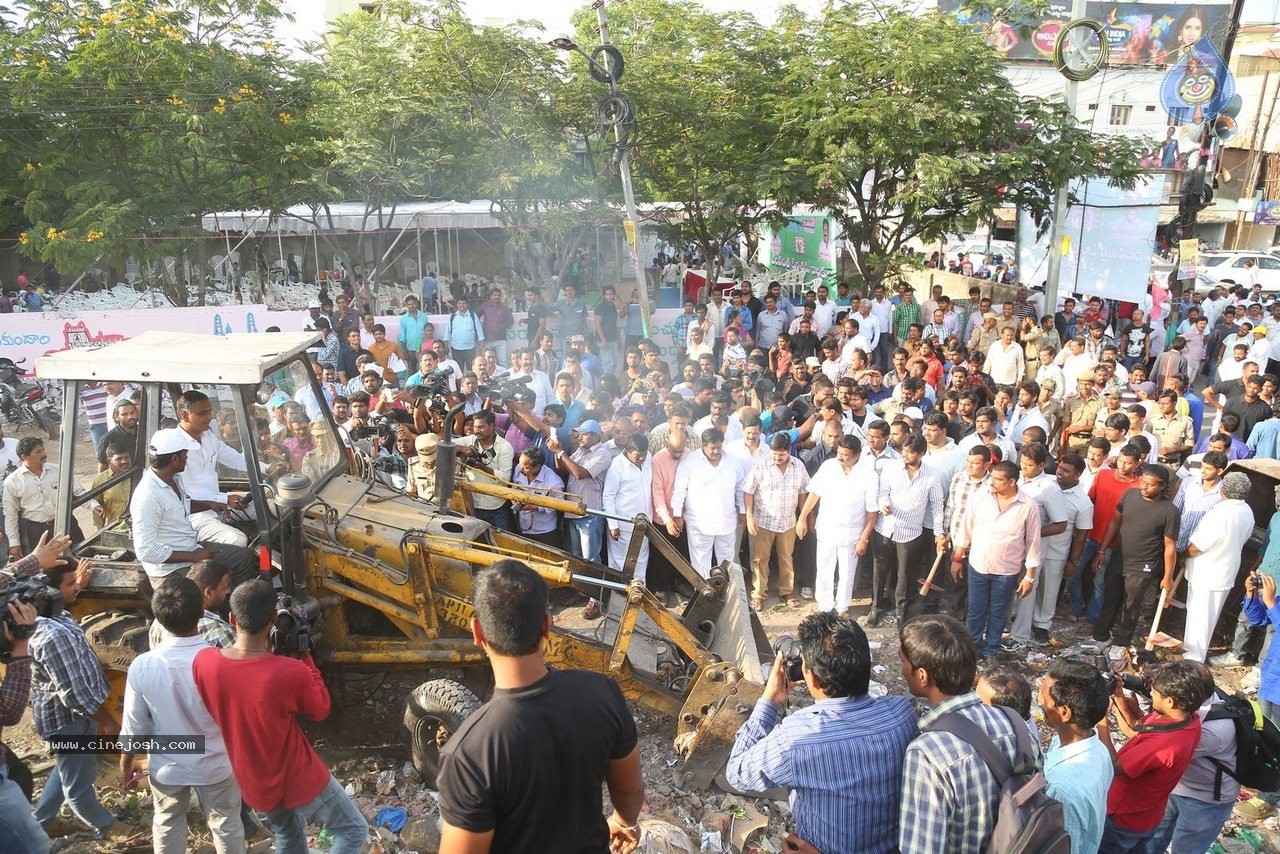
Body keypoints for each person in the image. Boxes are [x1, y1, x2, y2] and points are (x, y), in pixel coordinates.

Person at [437, 560, 644, 852]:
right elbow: (629, 790)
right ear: (547, 625)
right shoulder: (602, 693)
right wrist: (625, 823)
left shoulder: (468, 754)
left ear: (477, 633)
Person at [194, 578, 367, 852]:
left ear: (231, 618)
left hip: (252, 779)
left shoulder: (204, 663)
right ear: (273, 618)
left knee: (288, 836)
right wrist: (305, 656)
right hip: (297, 775)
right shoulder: (288, 672)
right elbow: (320, 709)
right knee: (353, 830)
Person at [726, 612, 916, 854]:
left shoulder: (796, 739)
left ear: (813, 680)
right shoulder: (901, 714)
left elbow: (737, 773)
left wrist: (769, 701)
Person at [121, 576, 244, 853]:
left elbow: (134, 725)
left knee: (166, 821)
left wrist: (126, 762)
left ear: (157, 615)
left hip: (167, 766)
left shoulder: (143, 666)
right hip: (216, 763)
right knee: (226, 824)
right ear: (202, 612)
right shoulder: (220, 661)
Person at [898, 614, 1029, 853]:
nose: (902, 669)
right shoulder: (1014, 722)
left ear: (922, 675)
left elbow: (921, 848)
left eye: (904, 662)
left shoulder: (927, 753)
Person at [30, 557, 136, 841]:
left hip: (78, 718)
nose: (75, 587)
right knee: (78, 787)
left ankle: (41, 821)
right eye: (68, 584)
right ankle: (107, 826)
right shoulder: (51, 636)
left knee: (68, 768)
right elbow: (75, 695)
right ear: (51, 591)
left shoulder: (56, 613)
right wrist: (109, 722)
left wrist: (76, 584)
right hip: (68, 719)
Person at [1096, 660, 1211, 852]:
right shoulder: (1189, 720)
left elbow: (1114, 766)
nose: (1150, 693)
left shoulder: (1162, 746)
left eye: (1155, 692)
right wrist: (1118, 696)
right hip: (1150, 816)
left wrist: (1101, 720)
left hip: (1124, 819)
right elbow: (1135, 729)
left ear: (1170, 701)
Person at [129, 429, 260, 586]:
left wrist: (209, 504)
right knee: (220, 574)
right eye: (185, 454)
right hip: (171, 570)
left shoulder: (174, 479)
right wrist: (193, 556)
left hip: (189, 546)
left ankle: (226, 602)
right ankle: (216, 606)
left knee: (243, 558)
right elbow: (145, 551)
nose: (187, 457)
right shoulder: (148, 496)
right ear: (175, 458)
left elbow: (180, 506)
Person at [950, 460, 1042, 659]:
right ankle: (973, 649)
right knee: (975, 610)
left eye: (998, 480)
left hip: (1006, 572)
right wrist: (958, 557)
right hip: (978, 566)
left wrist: (1030, 577)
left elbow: (1033, 542)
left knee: (998, 613)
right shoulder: (981, 497)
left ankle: (992, 650)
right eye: (992, 478)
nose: (992, 483)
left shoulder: (1028, 506)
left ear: (1012, 481)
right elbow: (966, 527)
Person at [1150, 663, 1241, 853]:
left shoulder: (1211, 730)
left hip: (1205, 800)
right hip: (1179, 786)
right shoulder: (1200, 700)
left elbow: (1151, 744)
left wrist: (1122, 706)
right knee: (1154, 838)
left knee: (1186, 848)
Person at [1090, 464, 1180, 654]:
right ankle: (1100, 636)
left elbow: (1170, 546)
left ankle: (1122, 643)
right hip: (1119, 557)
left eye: (1150, 485)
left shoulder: (1169, 511)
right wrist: (1102, 550)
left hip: (1143, 565)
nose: (1144, 487)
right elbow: (1115, 521)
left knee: (1131, 604)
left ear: (1162, 486)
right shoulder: (1129, 495)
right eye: (1143, 482)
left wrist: (1168, 577)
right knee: (1110, 598)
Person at [795, 436, 878, 616]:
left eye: (845, 455)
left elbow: (872, 512)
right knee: (824, 567)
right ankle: (824, 606)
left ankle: (842, 607)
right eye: (839, 453)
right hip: (827, 527)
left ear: (857, 455)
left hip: (852, 532)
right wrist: (802, 518)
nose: (840, 458)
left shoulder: (869, 474)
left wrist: (864, 539)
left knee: (847, 572)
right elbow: (814, 494)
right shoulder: (829, 467)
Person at [1039, 658, 1114, 854]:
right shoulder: (1098, 749)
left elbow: (1064, 848)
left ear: (1064, 712)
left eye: (1044, 700)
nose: (1039, 701)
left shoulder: (1063, 789)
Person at [869, 434, 944, 626]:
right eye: (904, 450)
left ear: (921, 454)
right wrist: (883, 503)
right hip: (885, 527)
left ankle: (901, 610)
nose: (906, 455)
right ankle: (876, 607)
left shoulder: (932, 475)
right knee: (880, 570)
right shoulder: (891, 467)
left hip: (911, 532)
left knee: (904, 574)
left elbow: (936, 505)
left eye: (910, 452)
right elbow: (882, 492)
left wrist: (938, 532)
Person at [1182, 472, 1255, 662]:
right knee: (1206, 617)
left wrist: (1183, 555)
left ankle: (1193, 660)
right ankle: (1193, 655)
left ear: (1223, 490)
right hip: (1224, 570)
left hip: (1207, 571)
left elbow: (1198, 546)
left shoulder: (1221, 513)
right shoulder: (1247, 510)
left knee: (1200, 618)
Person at [742, 434, 810, 610]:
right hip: (763, 521)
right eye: (774, 454)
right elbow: (748, 491)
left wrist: (803, 518)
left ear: (789, 451)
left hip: (788, 522)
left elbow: (803, 492)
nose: (777, 458)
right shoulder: (761, 465)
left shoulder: (798, 466)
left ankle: (787, 591)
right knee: (759, 559)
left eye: (781, 454)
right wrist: (749, 517)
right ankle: (758, 594)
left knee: (786, 558)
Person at [671, 428, 746, 579]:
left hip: (726, 520)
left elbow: (740, 488)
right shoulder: (689, 462)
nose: (716, 451)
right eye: (712, 448)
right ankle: (704, 596)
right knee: (700, 562)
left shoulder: (733, 461)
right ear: (703, 446)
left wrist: (742, 511)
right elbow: (679, 491)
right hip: (699, 523)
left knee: (727, 560)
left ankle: (727, 595)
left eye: (719, 447)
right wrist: (677, 515)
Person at [148, 559, 235, 650]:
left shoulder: (159, 622)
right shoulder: (220, 632)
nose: (228, 592)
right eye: (224, 588)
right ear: (208, 592)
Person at [3, 438, 67, 556]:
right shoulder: (12, 482)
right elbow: (10, 514)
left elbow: (78, 492)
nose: (44, 454)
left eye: (43, 450)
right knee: (43, 569)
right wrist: (14, 543)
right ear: (24, 457)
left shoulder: (58, 470)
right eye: (38, 452)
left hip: (66, 525)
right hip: (36, 531)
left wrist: (94, 506)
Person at [602, 435, 652, 584]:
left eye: (644, 455)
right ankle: (619, 593)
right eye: (639, 456)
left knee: (641, 559)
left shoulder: (648, 456)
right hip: (623, 524)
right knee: (619, 561)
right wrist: (613, 525)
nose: (642, 458)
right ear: (628, 451)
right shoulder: (617, 466)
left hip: (644, 523)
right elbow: (608, 497)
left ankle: (639, 591)